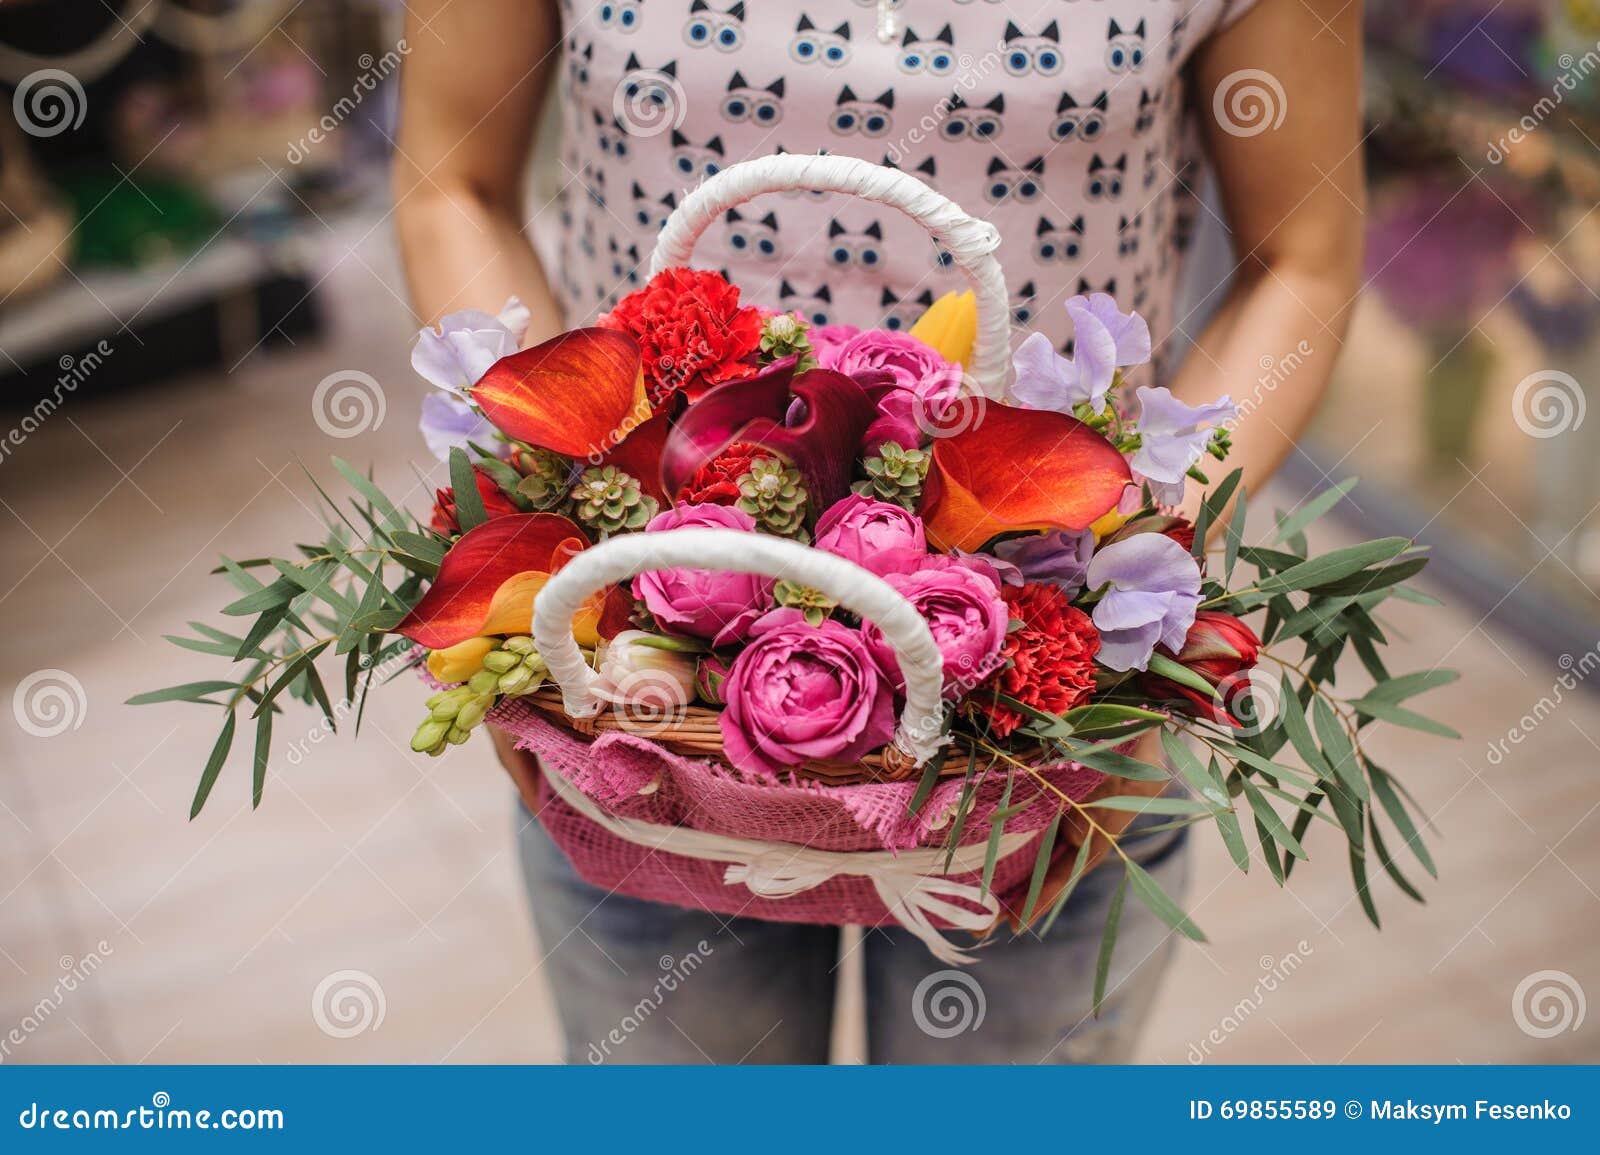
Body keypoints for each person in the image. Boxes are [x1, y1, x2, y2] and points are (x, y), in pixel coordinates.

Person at [393, 0, 1364, 1064]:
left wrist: (1145, 575)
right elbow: (455, 181)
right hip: (652, 700)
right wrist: (546, 548)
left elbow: (1301, 255)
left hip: (1040, 702)